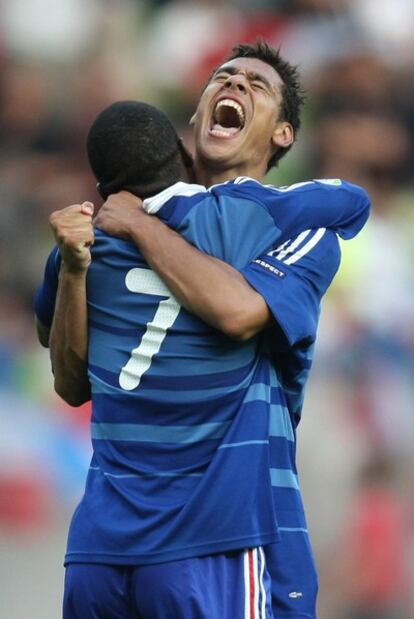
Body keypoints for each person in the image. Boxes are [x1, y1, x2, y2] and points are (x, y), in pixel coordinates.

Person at [36, 42, 370, 619]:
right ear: (191, 122)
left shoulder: (295, 227)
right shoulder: (98, 239)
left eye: (256, 86)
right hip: (147, 541)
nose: (234, 85)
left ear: (284, 134)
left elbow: (240, 312)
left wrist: (142, 225)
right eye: (223, 77)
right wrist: (72, 267)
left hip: (194, 533)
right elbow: (71, 384)